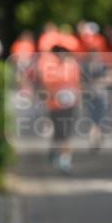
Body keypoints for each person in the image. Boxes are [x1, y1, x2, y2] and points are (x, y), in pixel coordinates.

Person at [38, 45, 82, 173]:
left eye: (64, 53)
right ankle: (55, 152)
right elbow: (45, 87)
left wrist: (78, 100)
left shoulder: (72, 66)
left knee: (66, 133)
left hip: (70, 105)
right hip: (55, 105)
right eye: (59, 54)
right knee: (59, 133)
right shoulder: (50, 68)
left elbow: (77, 85)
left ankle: (65, 160)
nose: (62, 56)